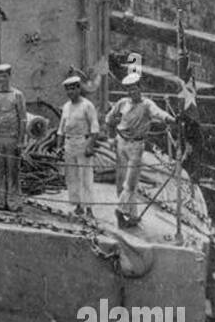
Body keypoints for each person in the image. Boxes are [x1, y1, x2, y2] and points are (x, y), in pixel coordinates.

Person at [105, 72, 175, 228]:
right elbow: (109, 119)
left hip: (136, 146)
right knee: (123, 182)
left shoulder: (147, 104)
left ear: (140, 88)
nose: (132, 92)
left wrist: (172, 120)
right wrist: (110, 138)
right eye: (129, 90)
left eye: (135, 89)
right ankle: (132, 215)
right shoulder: (122, 103)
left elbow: (159, 113)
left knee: (130, 183)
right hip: (121, 143)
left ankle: (120, 210)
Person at [0, 63, 26, 213]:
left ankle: (13, 201)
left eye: (4, 76)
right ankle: (0, 200)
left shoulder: (17, 95)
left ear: (9, 77)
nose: (2, 80)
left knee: (13, 171)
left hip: (12, 138)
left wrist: (21, 140)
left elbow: (23, 119)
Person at [56, 74, 99, 218]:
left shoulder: (87, 105)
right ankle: (79, 206)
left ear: (78, 88)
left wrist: (90, 146)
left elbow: (94, 128)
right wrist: (58, 147)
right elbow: (61, 129)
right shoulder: (66, 106)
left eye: (73, 89)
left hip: (83, 143)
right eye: (68, 90)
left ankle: (89, 209)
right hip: (69, 144)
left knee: (86, 177)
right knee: (72, 177)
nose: (70, 93)